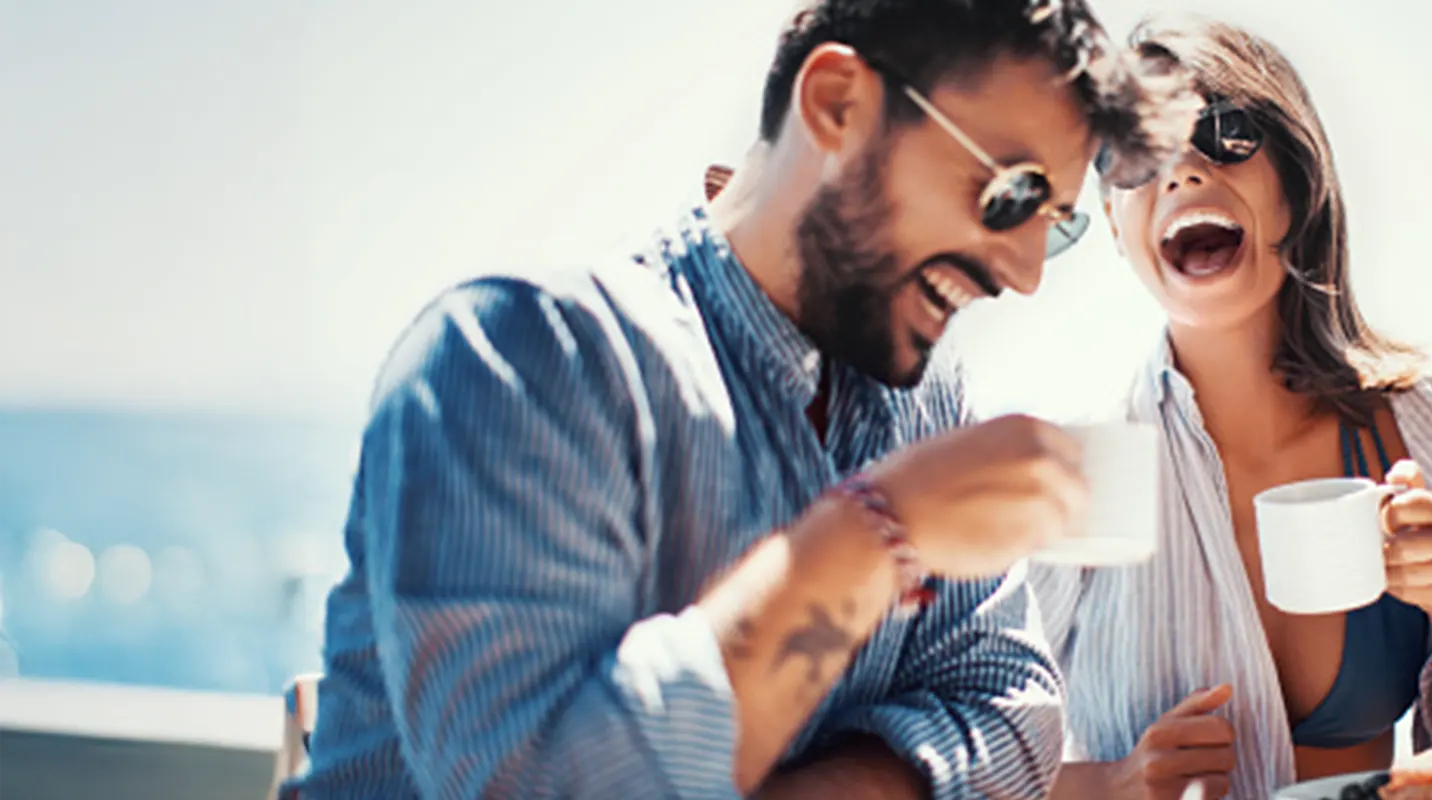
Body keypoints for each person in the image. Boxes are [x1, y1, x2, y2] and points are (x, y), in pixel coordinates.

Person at [285, 1, 1197, 797]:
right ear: (836, 103)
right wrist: (874, 531)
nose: (1025, 272)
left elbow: (1016, 720)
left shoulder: (926, 403)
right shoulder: (525, 355)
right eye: (1012, 193)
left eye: (1056, 223)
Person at [1031, 15, 1432, 800]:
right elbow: (973, 769)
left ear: (1298, 184)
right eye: (1134, 156)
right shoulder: (1071, 472)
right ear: (1116, 227)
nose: (1183, 172)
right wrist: (1113, 784)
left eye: (1225, 133)